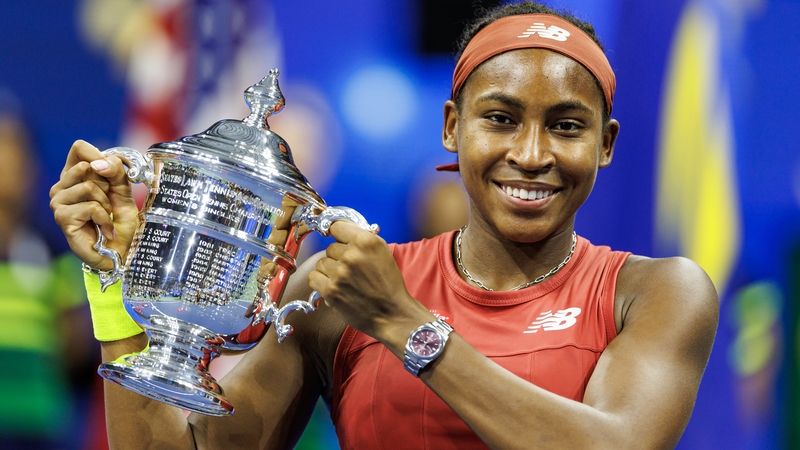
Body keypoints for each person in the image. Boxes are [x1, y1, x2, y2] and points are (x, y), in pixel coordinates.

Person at [49, 1, 719, 448]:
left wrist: (405, 324)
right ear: (453, 128)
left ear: (606, 144)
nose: (532, 153)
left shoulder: (658, 292)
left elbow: (616, 443)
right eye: (500, 118)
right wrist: (120, 285)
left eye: (567, 127)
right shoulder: (337, 296)